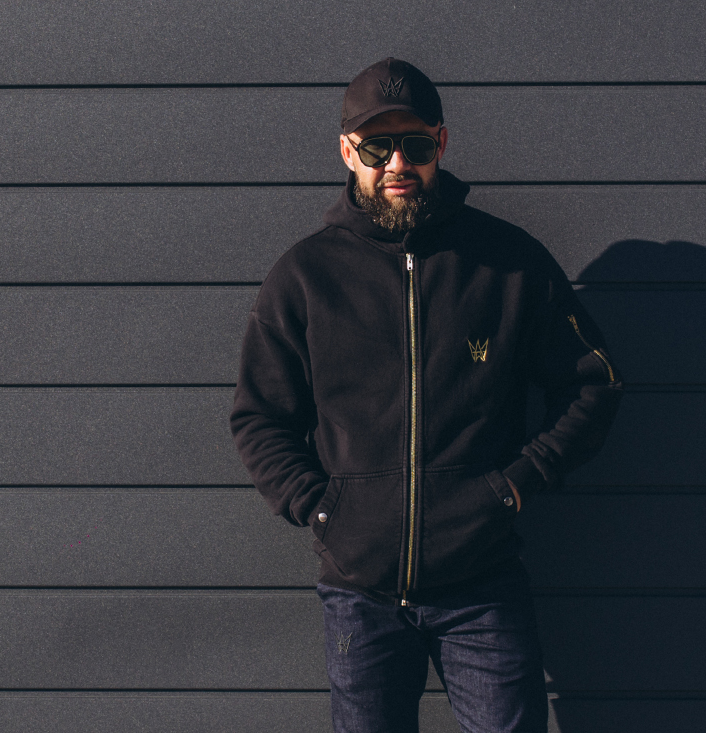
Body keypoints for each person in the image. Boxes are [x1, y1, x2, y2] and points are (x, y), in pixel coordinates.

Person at [229, 58, 623, 733]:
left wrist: (515, 486)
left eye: (414, 144)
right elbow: (259, 416)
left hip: (482, 585)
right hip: (359, 593)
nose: (397, 163)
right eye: (377, 147)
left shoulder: (508, 263)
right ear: (348, 152)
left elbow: (594, 383)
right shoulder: (306, 275)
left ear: (440, 143)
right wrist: (322, 510)